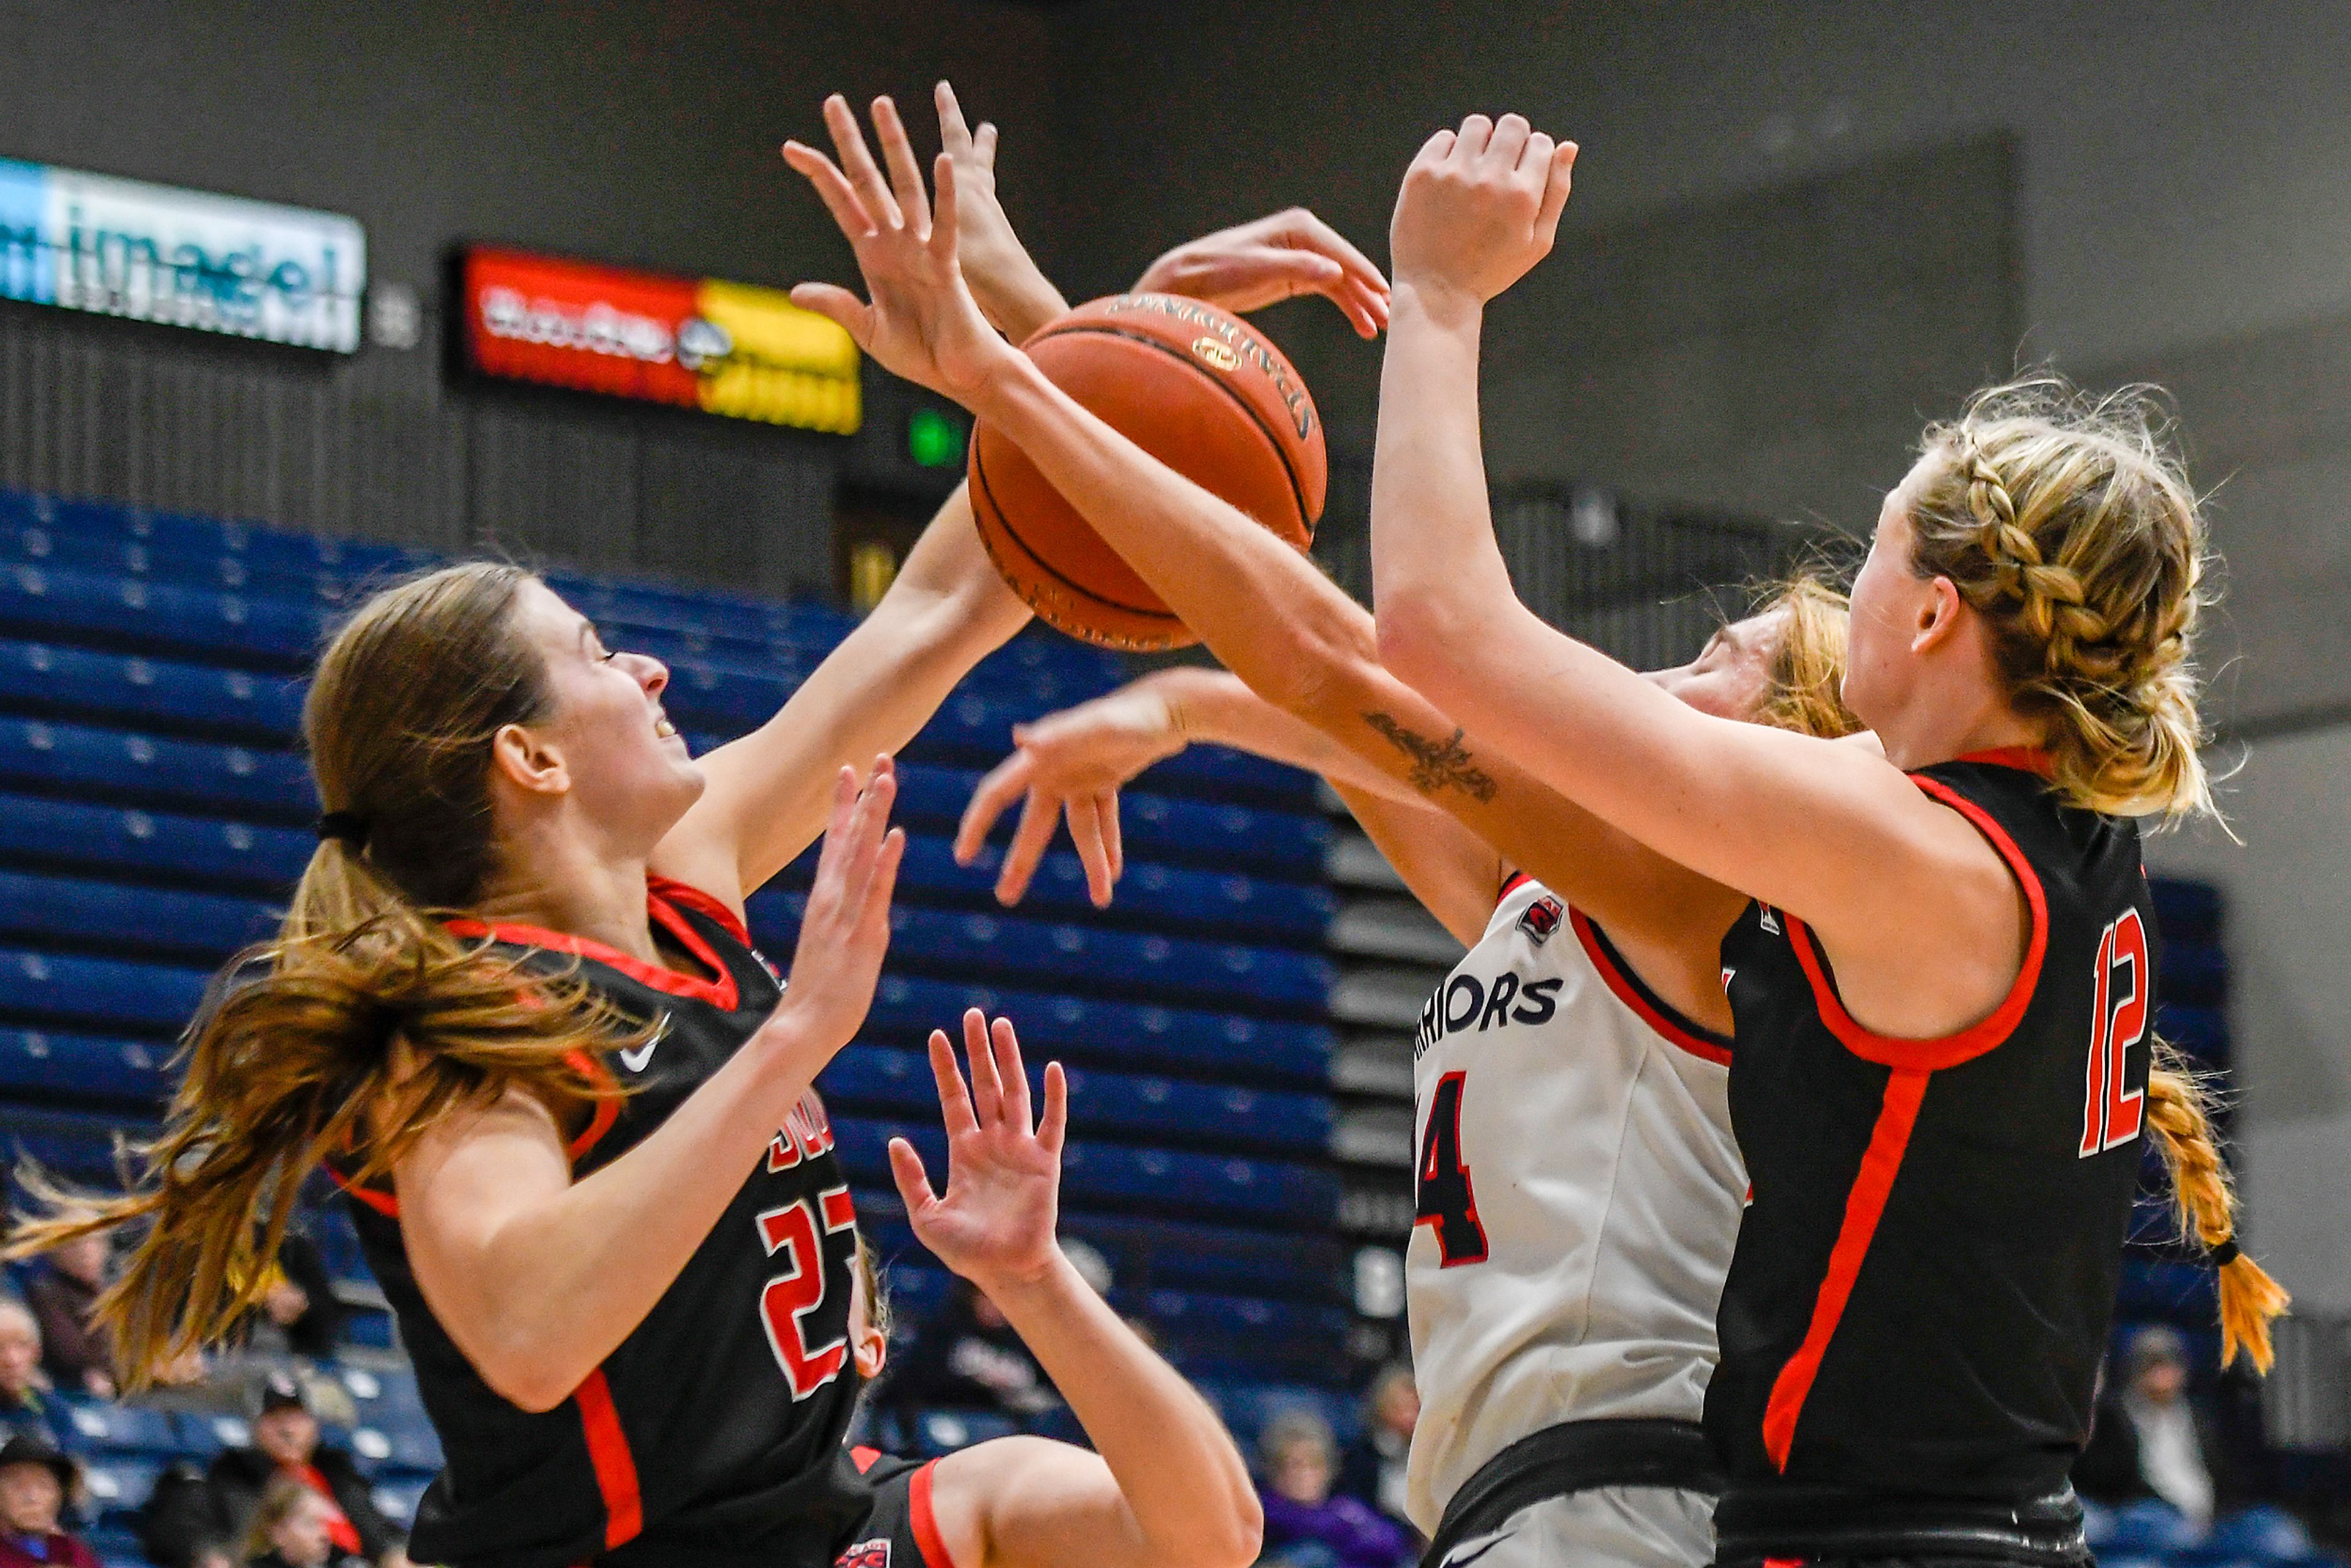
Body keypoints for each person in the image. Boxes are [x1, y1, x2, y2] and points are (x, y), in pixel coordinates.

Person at [6, 119, 1384, 1564]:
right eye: (599, 652)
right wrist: (791, 1039)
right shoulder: (464, 1025)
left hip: (817, 1507)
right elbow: (528, 1329)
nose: (652, 672)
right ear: (525, 757)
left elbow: (948, 600)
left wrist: (1108, 347)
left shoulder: (687, 882)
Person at [783, 91, 1854, 1568]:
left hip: (1638, 1498)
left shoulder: (1706, 905)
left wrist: (1013, 363)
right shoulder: (1542, 892)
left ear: (1797, 744)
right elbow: (1306, 643)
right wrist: (1050, 325)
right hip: (1513, 1508)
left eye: (1730, 656)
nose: (1677, 669)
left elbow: (1346, 664)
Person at [1343, 113, 2290, 1567]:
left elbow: (1437, 630)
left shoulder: (1907, 845)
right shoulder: (2056, 840)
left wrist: (1437, 297)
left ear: (1925, 616)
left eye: (1874, 553)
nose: (1836, 591)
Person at [828, 1008, 1261, 1568]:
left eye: (810, 1276)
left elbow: (1217, 1539)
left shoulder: (939, 1504)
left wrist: (1033, 1280)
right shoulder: (677, 1494)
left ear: (870, 1343)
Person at [144, 1373, 399, 1568]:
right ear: (255, 1428)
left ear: (315, 1425)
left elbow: (380, 1534)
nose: (288, 1430)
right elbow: (176, 1530)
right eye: (276, 1418)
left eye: (296, 1417)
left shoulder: (339, 1477)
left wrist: (394, 1553)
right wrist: (208, 1554)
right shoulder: (230, 1478)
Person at [2075, 1327, 2235, 1531]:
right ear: (2135, 1370)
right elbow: (2109, 1482)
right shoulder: (2116, 1417)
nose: (2162, 1375)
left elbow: (2223, 1476)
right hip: (2148, 1515)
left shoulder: (2199, 1417)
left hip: (2207, 1516)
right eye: (2152, 1365)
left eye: (2168, 1364)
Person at [1255, 1410, 1416, 1568]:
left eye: (1314, 1464)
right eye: (1295, 1465)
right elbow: (1312, 1526)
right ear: (1275, 1469)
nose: (1304, 1474)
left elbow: (1393, 1541)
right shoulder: (1266, 1509)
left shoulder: (1345, 1505)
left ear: (1328, 1469)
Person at [24, 1234, 111, 1400]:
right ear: (57, 1254)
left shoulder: (112, 1290)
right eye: (74, 1245)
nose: (85, 1252)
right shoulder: (46, 1292)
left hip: (126, 1379)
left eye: (93, 1242)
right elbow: (72, 1354)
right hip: (80, 1388)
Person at [1336, 1365, 1416, 1533]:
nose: (1411, 1416)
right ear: (1382, 1408)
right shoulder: (1363, 1454)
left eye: (1415, 1407)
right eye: (1401, 1408)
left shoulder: (1433, 1453)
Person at [0, 1434, 95, 1568]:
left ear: (61, 1496)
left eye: (44, 1486)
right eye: (18, 1486)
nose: (32, 1498)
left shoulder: (75, 1554)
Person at [236, 1476, 364, 1568]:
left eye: (324, 1523)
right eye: (310, 1524)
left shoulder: (340, 1561)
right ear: (278, 1532)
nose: (324, 1535)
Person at [0, 1305, 57, 1449]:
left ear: (37, 1352)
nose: (12, 1360)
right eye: (0, 1348)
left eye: (22, 1345)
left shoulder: (49, 1405)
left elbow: (78, 1458)